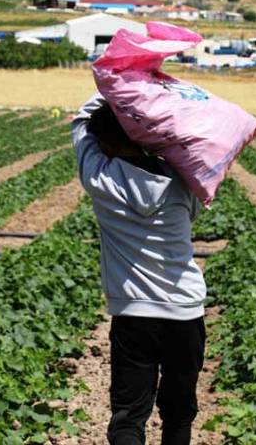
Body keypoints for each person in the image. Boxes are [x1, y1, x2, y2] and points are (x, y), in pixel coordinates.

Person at [72, 93, 206, 445]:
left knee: (129, 415)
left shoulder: (100, 181)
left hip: (134, 313)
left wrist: (116, 84)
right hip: (185, 311)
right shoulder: (180, 180)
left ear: (103, 142)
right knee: (179, 411)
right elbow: (194, 209)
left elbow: (79, 125)